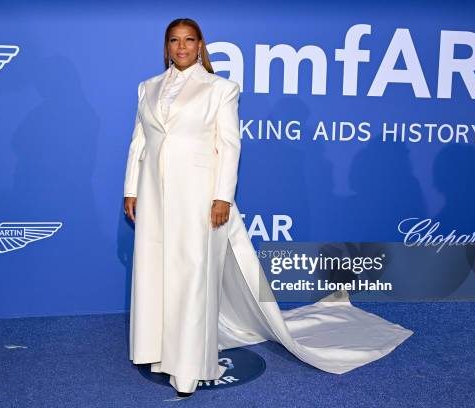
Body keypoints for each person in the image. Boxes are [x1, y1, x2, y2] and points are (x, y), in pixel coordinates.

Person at [123, 18, 413, 401]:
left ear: (199, 46)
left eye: (189, 40)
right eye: (174, 41)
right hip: (154, 199)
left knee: (193, 278)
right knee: (156, 272)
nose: (181, 47)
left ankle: (189, 367)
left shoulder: (220, 89)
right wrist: (131, 189)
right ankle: (156, 349)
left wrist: (222, 197)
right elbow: (139, 142)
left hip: (197, 196)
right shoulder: (148, 88)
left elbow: (229, 146)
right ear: (166, 47)